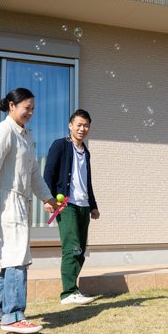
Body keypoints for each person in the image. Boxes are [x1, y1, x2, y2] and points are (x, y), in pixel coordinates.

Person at [0, 87, 57, 334]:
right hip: (4, 202)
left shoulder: (26, 136)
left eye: (33, 109)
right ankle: (14, 316)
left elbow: (33, 173)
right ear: (12, 106)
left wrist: (48, 197)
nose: (31, 113)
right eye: (27, 108)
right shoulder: (4, 130)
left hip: (19, 201)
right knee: (17, 257)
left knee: (11, 258)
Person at [43, 109, 100, 305]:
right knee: (72, 246)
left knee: (80, 250)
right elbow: (49, 173)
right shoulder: (60, 145)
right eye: (79, 125)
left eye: (86, 125)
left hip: (84, 205)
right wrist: (47, 199)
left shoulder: (86, 152)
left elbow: (87, 181)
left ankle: (73, 289)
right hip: (66, 204)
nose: (82, 129)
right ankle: (68, 292)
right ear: (70, 125)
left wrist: (93, 205)